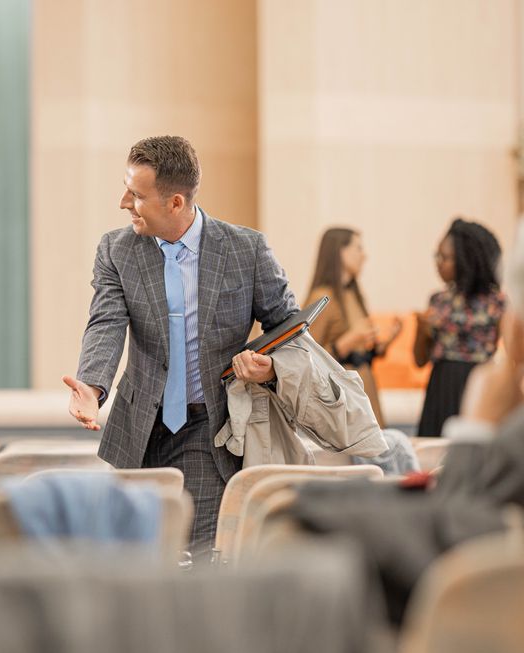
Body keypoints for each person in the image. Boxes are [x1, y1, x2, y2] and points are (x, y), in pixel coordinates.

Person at [64, 136, 298, 550]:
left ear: (175, 202)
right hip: (137, 430)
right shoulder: (116, 250)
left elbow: (289, 328)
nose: (123, 202)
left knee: (199, 556)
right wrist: (93, 386)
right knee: (134, 560)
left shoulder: (246, 250)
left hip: (208, 429)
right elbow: (106, 322)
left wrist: (272, 366)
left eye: (136, 195)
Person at [414, 218, 505, 436]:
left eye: (444, 257)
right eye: (437, 255)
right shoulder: (437, 300)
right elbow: (419, 360)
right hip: (442, 385)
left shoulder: (496, 303)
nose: (438, 263)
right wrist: (421, 330)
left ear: (467, 260)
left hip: (479, 384)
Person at [304, 227, 402, 426]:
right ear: (340, 251)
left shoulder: (352, 294)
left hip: (364, 390)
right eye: (358, 248)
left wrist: (386, 342)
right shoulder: (322, 297)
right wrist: (347, 343)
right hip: (342, 399)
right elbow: (306, 358)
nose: (364, 256)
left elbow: (360, 351)